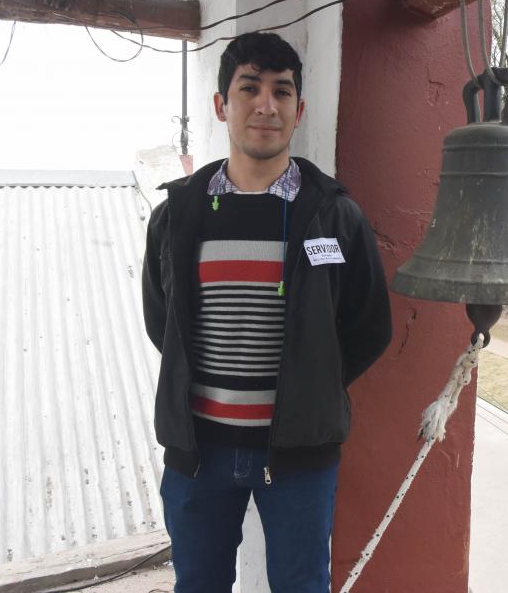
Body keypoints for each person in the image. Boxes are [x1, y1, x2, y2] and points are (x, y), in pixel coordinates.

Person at [142, 32, 392, 593]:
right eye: (249, 88)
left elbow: (368, 324)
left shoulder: (333, 215)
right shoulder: (178, 214)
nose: (265, 105)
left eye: (282, 92)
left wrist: (312, 384)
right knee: (197, 585)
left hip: (299, 459)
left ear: (298, 110)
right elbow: (165, 322)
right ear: (220, 105)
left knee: (302, 587)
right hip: (197, 452)